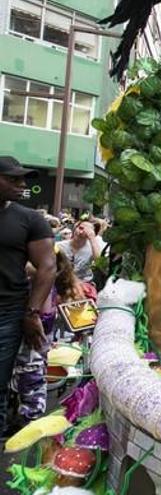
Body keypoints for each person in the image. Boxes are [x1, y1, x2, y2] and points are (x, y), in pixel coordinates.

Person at [0, 156, 55, 436]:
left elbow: (47, 267)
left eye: (23, 179)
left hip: (8, 313)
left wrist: (32, 312)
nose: (21, 184)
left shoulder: (29, 219)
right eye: (13, 179)